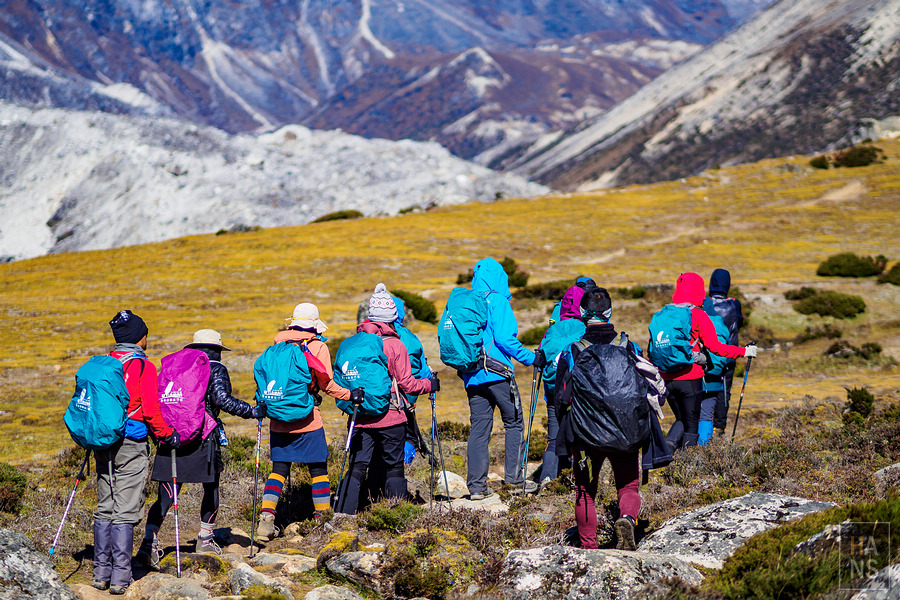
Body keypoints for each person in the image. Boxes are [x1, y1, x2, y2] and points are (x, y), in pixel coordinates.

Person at [136, 329, 263, 568]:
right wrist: (252, 411)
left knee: (167, 493)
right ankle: (205, 539)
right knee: (211, 486)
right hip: (203, 437)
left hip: (170, 435)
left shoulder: (175, 366)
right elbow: (222, 400)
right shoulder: (214, 367)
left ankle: (148, 543)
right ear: (216, 349)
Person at [555, 287, 646, 550]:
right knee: (628, 486)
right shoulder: (629, 346)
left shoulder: (572, 351)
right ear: (609, 312)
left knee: (585, 492)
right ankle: (627, 518)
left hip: (586, 435)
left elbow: (561, 397)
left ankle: (589, 548)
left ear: (582, 313)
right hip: (625, 431)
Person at [92, 310, 177, 595]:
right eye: (145, 334)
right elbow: (151, 410)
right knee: (126, 509)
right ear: (139, 337)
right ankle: (120, 577)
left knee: (105, 504)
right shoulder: (143, 366)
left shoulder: (105, 363)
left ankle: (100, 574)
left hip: (104, 443)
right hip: (131, 443)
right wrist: (167, 435)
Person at [334, 283, 437, 514]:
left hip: (360, 415)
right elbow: (407, 384)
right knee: (394, 468)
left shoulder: (352, 343)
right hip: (391, 417)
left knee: (356, 467)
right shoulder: (395, 344)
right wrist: (430, 384)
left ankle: (343, 515)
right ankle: (395, 515)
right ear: (393, 318)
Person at [256, 303, 350, 541]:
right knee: (318, 469)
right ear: (314, 324)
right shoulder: (317, 347)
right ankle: (322, 520)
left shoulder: (276, 346)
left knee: (279, 470)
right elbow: (327, 385)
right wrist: (350, 395)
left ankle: (265, 521)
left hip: (278, 418)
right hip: (307, 419)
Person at [461, 258, 541, 500]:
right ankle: (515, 481)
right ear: (499, 277)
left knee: (479, 429)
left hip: (472, 375)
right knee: (514, 423)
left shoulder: (467, 302)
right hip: (498, 374)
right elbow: (505, 339)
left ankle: (476, 487)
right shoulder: (497, 300)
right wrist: (531, 358)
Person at [656, 273, 754, 449]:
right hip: (690, 377)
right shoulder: (699, 315)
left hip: (667, 377)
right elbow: (716, 347)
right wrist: (744, 351)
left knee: (681, 419)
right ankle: (686, 461)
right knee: (692, 424)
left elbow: (654, 347)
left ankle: (669, 447)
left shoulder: (663, 313)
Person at [539, 282, 592, 486]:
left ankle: (547, 478)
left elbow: (542, 356)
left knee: (553, 438)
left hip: (553, 391)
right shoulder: (584, 329)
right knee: (579, 436)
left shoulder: (552, 330)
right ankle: (579, 481)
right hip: (576, 392)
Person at [700, 269, 744, 439]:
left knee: (705, 390)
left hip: (707, 356)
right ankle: (719, 428)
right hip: (729, 355)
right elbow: (739, 322)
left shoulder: (705, 303)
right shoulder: (734, 304)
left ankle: (702, 425)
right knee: (724, 391)